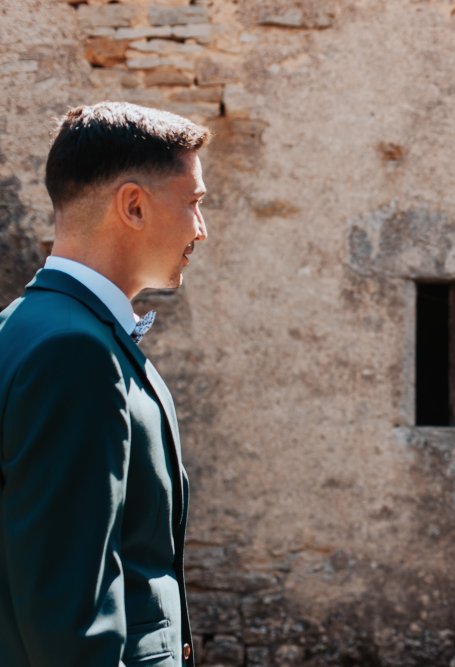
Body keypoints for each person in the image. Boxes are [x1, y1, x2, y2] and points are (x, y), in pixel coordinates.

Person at [0, 102, 210, 666]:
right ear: (133, 205)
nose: (201, 229)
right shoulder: (74, 353)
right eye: (193, 202)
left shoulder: (28, 326)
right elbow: (72, 617)